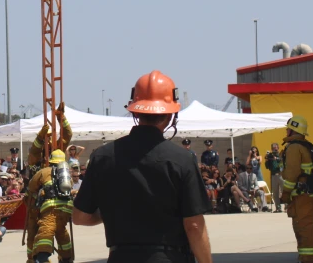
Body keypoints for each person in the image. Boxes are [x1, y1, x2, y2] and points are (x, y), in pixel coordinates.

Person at [73, 70, 212, 263]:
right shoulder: (182, 159)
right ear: (171, 115)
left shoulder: (102, 157)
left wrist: (111, 213)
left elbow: (80, 217)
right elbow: (194, 226)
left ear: (135, 111)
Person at [25, 102, 72, 263]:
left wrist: (61, 117)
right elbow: (33, 154)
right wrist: (39, 137)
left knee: (45, 232)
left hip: (46, 200)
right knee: (36, 233)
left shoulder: (55, 154)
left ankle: (42, 259)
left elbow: (67, 135)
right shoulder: (37, 159)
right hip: (36, 200)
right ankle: (34, 259)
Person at [280, 115, 313, 263]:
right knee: (304, 225)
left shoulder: (294, 147)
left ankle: (308, 259)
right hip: (306, 194)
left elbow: (292, 173)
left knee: (303, 227)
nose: (286, 130)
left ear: (292, 130)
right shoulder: (305, 145)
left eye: (288, 128)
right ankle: (306, 257)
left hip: (302, 195)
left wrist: (285, 194)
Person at [28, 149, 73, 263]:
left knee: (46, 230)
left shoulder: (44, 172)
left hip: (51, 207)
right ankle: (67, 257)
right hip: (67, 207)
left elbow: (31, 187)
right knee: (61, 230)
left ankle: (42, 257)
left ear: (51, 160)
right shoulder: (67, 176)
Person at [265, 142, 284, 213]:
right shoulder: (270, 156)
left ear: (278, 148)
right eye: (273, 148)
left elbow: (282, 161)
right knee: (275, 193)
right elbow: (267, 167)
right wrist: (267, 159)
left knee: (284, 191)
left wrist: (276, 158)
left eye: (275, 148)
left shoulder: (281, 154)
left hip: (281, 174)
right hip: (273, 175)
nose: (274, 150)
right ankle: (278, 207)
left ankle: (287, 206)